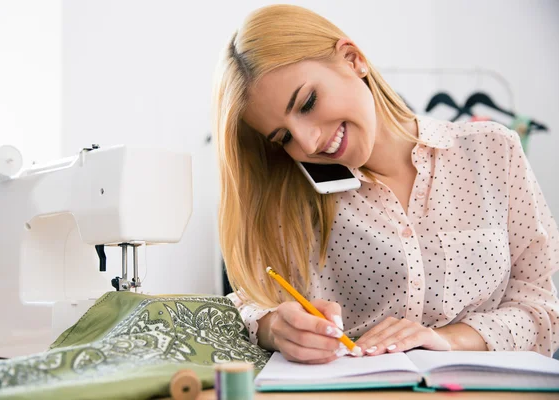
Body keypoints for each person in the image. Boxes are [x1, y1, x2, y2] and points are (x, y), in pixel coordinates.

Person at [211, 4, 559, 364]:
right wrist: (274, 327)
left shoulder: (492, 150)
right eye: (284, 137)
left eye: (308, 102)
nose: (308, 143)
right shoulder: (287, 194)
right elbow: (243, 305)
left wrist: (446, 340)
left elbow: (542, 311)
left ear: (352, 58)